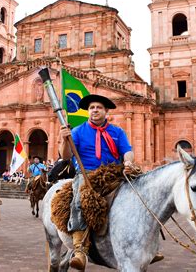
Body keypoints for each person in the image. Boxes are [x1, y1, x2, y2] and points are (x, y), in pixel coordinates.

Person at [58, 94, 141, 270]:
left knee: (139, 196)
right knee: (79, 201)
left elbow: (127, 151)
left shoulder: (117, 132)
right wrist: (64, 139)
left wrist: (128, 163)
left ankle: (143, 242)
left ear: (106, 111)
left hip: (113, 173)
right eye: (92, 108)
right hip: (86, 173)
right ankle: (79, 249)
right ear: (88, 111)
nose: (95, 110)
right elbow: (65, 156)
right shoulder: (78, 131)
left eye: (98, 107)